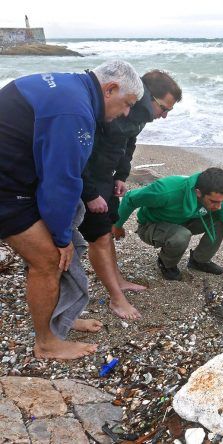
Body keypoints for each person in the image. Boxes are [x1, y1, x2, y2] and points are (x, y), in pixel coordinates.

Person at [0, 60, 143, 360]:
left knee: (55, 251)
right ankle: (46, 343)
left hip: (16, 173)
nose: (127, 113)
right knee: (49, 259)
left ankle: (60, 319)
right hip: (6, 186)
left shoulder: (70, 86)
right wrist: (62, 237)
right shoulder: (75, 112)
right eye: (127, 104)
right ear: (110, 88)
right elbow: (61, 182)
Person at [79, 70, 182, 320]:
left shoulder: (140, 115)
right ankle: (116, 299)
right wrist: (90, 193)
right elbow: (81, 152)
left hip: (107, 176)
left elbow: (128, 144)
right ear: (148, 96)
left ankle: (118, 280)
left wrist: (120, 176)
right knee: (98, 237)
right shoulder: (112, 108)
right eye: (164, 108)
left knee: (109, 229)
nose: (165, 115)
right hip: (88, 179)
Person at [113, 168, 223, 286]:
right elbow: (130, 199)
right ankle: (166, 264)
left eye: (222, 201)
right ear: (198, 192)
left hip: (184, 221)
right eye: (214, 201)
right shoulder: (165, 190)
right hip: (151, 225)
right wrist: (117, 225)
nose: (219, 206)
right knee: (182, 235)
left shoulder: (218, 201)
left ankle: (199, 260)